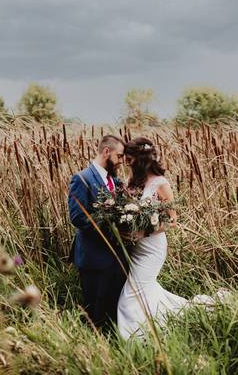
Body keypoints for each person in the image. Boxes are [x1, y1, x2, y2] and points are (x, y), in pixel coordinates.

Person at [116, 136, 211, 340]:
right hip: (135, 247)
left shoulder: (161, 184)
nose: (127, 164)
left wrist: (144, 231)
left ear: (140, 159)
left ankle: (134, 338)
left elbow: (172, 220)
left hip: (152, 247)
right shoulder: (131, 182)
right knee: (146, 289)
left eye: (130, 160)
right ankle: (168, 319)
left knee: (130, 295)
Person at [67, 134, 131, 331]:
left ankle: (114, 349)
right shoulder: (81, 179)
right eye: (119, 156)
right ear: (106, 152)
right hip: (94, 256)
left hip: (117, 258)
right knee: (95, 311)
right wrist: (108, 220)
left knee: (114, 310)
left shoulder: (117, 182)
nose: (121, 162)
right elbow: (78, 218)